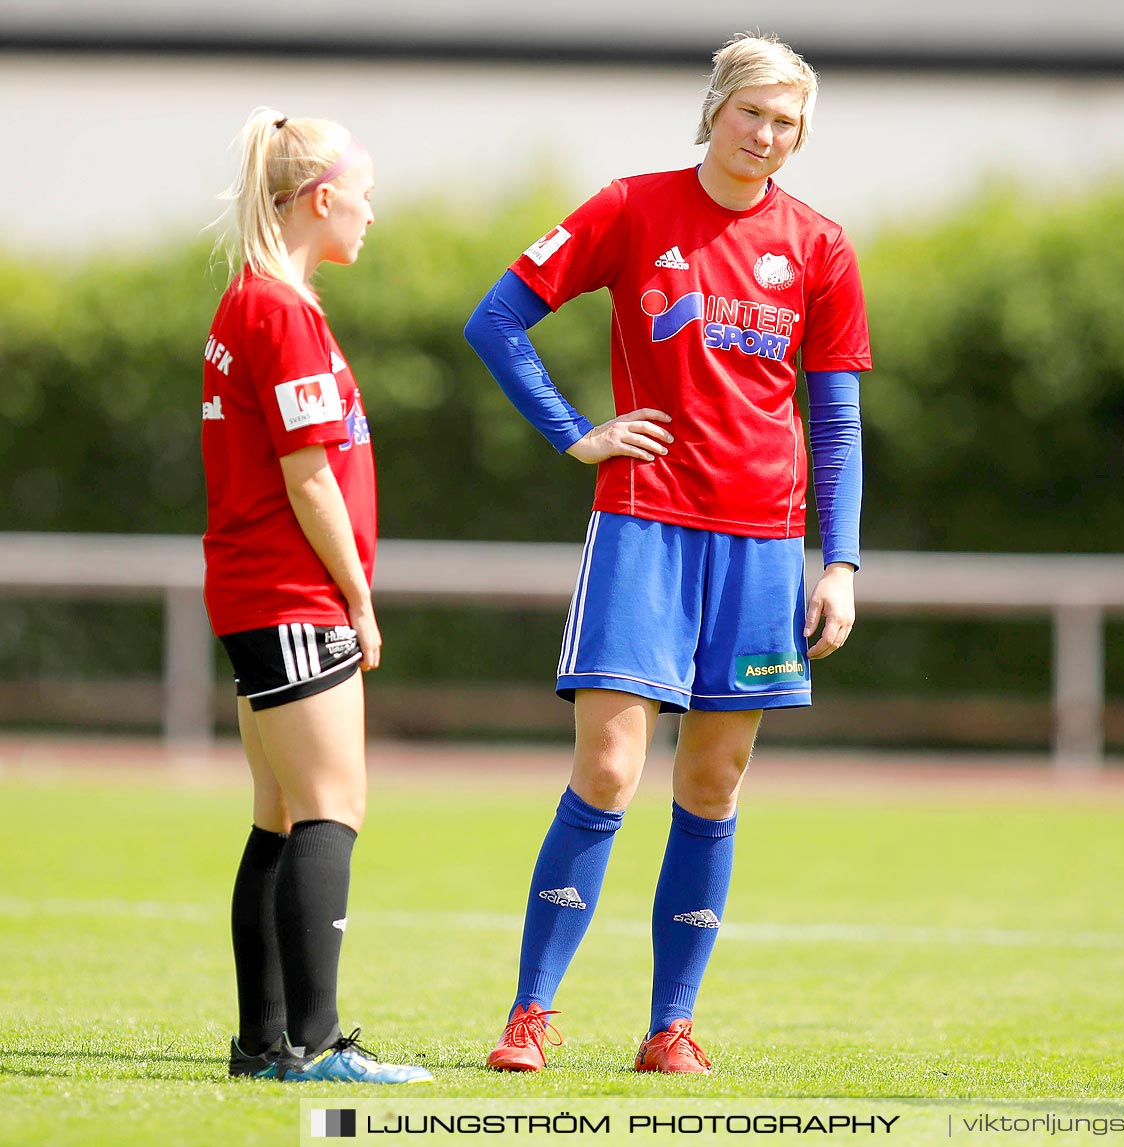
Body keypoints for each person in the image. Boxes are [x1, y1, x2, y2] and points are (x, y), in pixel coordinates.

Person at [464, 32, 870, 1075]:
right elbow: (497, 320)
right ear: (716, 108)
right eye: (754, 115)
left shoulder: (820, 245)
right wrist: (573, 430)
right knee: (607, 768)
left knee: (714, 781)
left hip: (767, 542)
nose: (767, 138)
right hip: (644, 520)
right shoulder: (632, 207)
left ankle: (669, 1028)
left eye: (788, 124)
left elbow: (835, 421)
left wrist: (842, 563)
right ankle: (529, 1017)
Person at [204, 106, 429, 1084]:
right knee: (333, 803)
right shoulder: (280, 311)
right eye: (364, 197)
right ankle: (318, 1046)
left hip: (256, 590)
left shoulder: (250, 300)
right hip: (290, 590)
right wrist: (360, 599)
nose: (371, 215)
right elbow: (309, 477)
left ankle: (266, 1041)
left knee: (283, 811)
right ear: (322, 199)